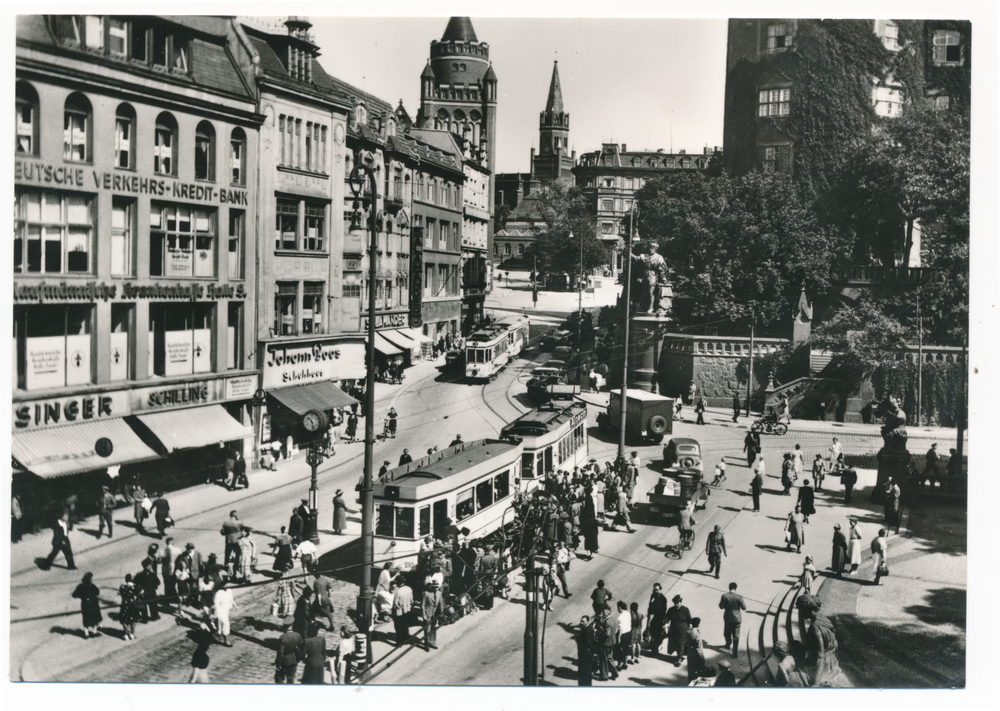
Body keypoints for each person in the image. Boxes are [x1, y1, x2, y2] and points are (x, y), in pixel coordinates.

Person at [72, 571, 103, 638]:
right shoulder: (92, 586)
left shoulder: (80, 586)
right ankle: (94, 631)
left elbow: (74, 595)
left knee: (86, 617)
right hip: (93, 603)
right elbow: (97, 592)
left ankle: (86, 632)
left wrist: (82, 597)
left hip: (85, 603)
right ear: (90, 579)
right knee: (95, 616)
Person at [719, 582, 746, 657]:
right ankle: (735, 652)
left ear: (729, 588)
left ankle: (728, 644)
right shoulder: (739, 597)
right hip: (737, 619)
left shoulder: (724, 596)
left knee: (727, 632)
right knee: (736, 636)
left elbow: (721, 606)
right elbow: (744, 607)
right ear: (736, 588)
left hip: (728, 617)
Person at [274, 617, 303, 684]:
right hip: (294, 659)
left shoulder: (283, 637)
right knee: (291, 678)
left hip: (285, 661)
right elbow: (301, 646)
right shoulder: (297, 635)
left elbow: (280, 652)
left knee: (279, 679)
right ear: (292, 625)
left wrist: (278, 663)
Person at [665, 594, 692, 667]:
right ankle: (679, 656)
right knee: (675, 644)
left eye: (679, 602)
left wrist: (690, 627)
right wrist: (666, 624)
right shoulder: (671, 610)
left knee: (681, 644)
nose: (677, 604)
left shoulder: (685, 609)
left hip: (683, 631)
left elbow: (689, 619)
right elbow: (667, 618)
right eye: (676, 603)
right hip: (674, 631)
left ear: (681, 602)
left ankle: (679, 659)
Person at [594, 608, 619, 681]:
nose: (603, 614)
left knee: (603, 659)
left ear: (607, 613)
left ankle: (604, 676)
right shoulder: (613, 619)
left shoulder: (607, 622)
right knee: (610, 658)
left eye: (604, 613)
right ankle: (614, 672)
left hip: (606, 643)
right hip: (612, 641)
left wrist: (599, 633)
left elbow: (607, 633)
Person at [118, 573, 142, 640]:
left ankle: (126, 634)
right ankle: (132, 634)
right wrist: (136, 596)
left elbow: (121, 594)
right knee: (134, 620)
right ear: (132, 579)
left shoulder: (122, 587)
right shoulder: (135, 586)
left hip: (125, 604)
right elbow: (142, 591)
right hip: (133, 605)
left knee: (125, 620)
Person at [421, 579, 444, 650]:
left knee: (434, 629)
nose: (435, 589)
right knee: (427, 630)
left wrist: (441, 613)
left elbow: (441, 605)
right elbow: (423, 605)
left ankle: (432, 643)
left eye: (437, 587)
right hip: (428, 613)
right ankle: (426, 645)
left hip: (435, 614)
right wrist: (424, 615)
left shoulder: (439, 593)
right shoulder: (426, 593)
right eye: (434, 587)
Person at [392, 576, 414, 647]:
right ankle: (406, 639)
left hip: (400, 611)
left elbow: (395, 603)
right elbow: (411, 600)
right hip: (407, 610)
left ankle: (399, 642)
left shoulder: (398, 591)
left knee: (398, 627)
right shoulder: (409, 589)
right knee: (405, 625)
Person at [646, 582, 667, 656]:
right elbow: (651, 608)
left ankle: (654, 651)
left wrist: (664, 622)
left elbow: (664, 611)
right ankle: (653, 646)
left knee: (656, 635)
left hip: (658, 620)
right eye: (654, 590)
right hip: (652, 618)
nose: (656, 591)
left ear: (660, 589)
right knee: (652, 633)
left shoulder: (663, 599)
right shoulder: (653, 596)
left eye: (657, 590)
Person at [213, 581, 236, 646]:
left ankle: (219, 632)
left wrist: (234, 605)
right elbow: (216, 604)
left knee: (221, 624)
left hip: (226, 610)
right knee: (226, 623)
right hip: (220, 611)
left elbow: (231, 599)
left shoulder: (229, 590)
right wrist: (215, 614)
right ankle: (226, 641)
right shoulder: (218, 593)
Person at [575, 615, 595, 685]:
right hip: (586, 655)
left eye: (583, 621)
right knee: (586, 673)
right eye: (581, 621)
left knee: (584, 673)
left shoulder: (586, 631)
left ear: (588, 621)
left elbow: (588, 643)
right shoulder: (588, 628)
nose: (581, 622)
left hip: (585, 656)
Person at [686, 617, 706, 681]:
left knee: (690, 670)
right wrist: (702, 659)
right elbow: (699, 648)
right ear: (698, 624)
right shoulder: (698, 634)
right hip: (697, 656)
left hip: (690, 654)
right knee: (698, 673)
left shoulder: (688, 632)